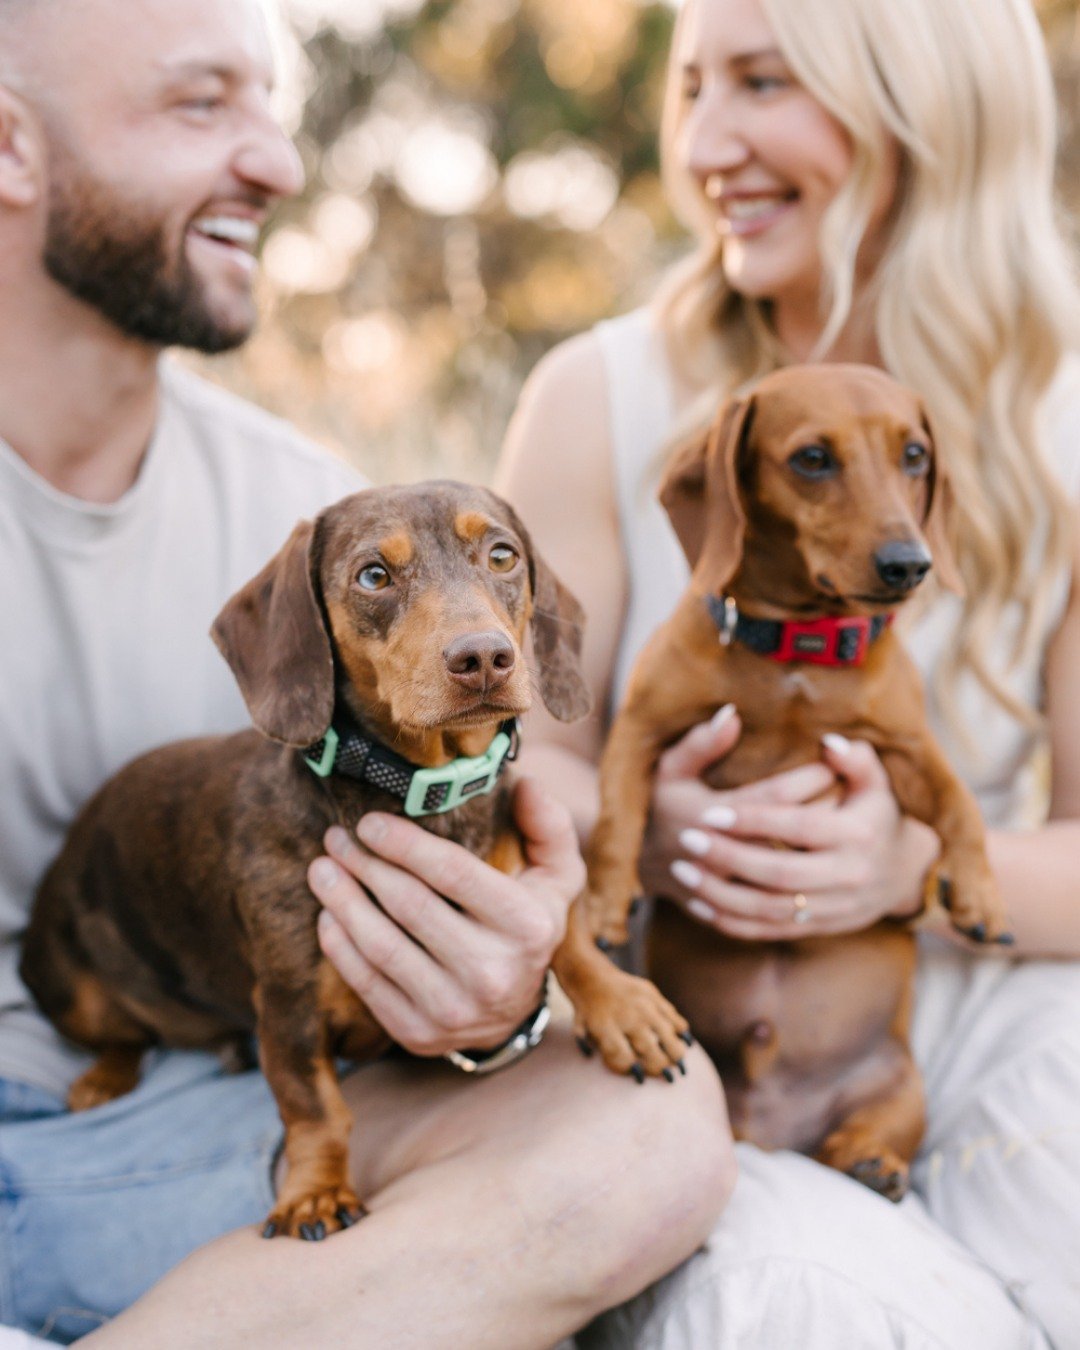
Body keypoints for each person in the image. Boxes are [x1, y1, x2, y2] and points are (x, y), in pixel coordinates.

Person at [0, 0, 732, 1343]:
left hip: (233, 1089)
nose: (280, 160)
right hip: (56, 1078)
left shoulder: (318, 509)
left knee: (656, 1127)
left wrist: (498, 1005)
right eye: (200, 101)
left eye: (272, 105)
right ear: (9, 145)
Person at [499, 0, 1080, 1344]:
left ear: (925, 108)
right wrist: (651, 837)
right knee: (790, 1298)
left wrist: (903, 869)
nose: (706, 142)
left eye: (762, 82)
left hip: (951, 985)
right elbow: (526, 754)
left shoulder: (1063, 424)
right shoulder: (600, 395)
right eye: (692, 87)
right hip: (679, 989)